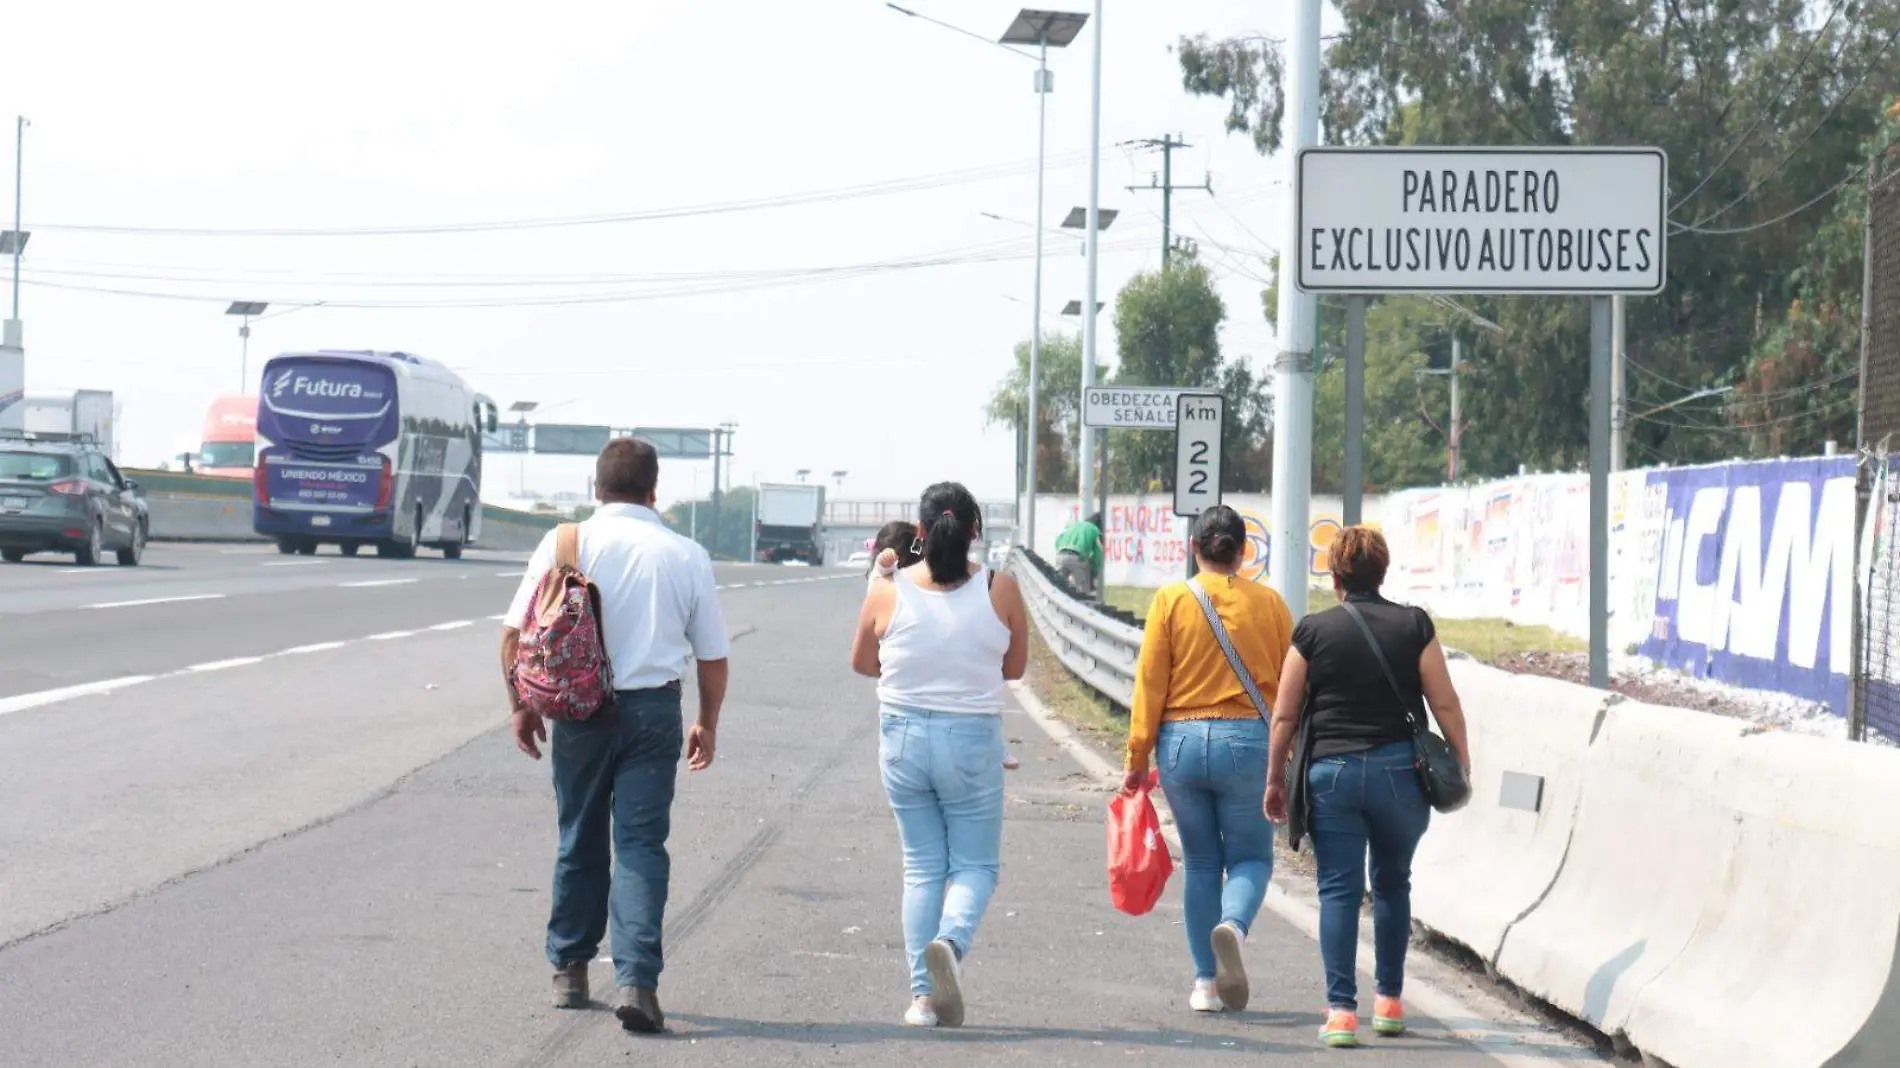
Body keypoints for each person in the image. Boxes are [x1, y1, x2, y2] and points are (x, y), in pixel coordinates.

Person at [500, 437, 731, 1036]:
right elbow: (711, 657)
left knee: (579, 834)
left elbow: (513, 636)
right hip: (653, 713)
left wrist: (521, 706)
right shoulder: (685, 554)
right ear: (655, 491)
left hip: (577, 712)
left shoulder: (565, 542)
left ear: (596, 488)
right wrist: (708, 720)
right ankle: (637, 983)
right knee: (640, 845)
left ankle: (570, 972)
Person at [1264, 525, 1471, 1049]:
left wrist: (1274, 779)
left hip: (1330, 775)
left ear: (1334, 576)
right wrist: (1461, 759)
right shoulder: (1414, 625)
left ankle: (1340, 1013)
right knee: (1393, 882)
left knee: (1337, 888)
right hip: (1399, 773)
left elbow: (1285, 715)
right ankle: (1390, 1001)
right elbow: (1443, 703)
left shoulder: (1312, 632)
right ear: (1383, 572)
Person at [850, 482, 1030, 1029]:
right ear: (975, 531)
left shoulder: (886, 589)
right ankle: (949, 941)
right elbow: (1015, 668)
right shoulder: (1001, 589)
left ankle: (923, 999)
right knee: (974, 865)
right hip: (971, 739)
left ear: (920, 533)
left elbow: (862, 661)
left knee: (922, 867)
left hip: (902, 738)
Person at [1120, 505, 1294, 1015]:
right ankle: (1232, 925)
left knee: (1200, 862)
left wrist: (1136, 755)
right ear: (1244, 552)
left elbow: (1149, 681)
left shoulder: (1171, 599)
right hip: (1247, 742)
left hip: (1180, 745)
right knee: (1252, 858)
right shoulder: (1271, 605)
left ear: (1193, 548)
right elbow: (1289, 690)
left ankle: (1204, 984)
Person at [1053, 512, 1103, 596]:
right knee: (1083, 590)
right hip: (1076, 557)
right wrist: (1094, 571)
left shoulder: (1074, 526)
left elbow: (1057, 541)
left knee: (1060, 586)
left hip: (1060, 555)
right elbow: (1098, 555)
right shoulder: (1095, 530)